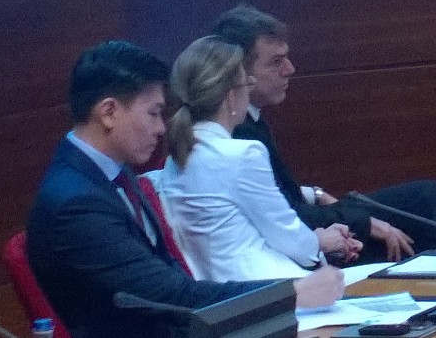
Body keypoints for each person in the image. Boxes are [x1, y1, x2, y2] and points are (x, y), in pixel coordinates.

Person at [26, 41, 344, 338]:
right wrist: (292, 293)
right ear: (109, 112)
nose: (161, 128)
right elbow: (168, 295)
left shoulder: (113, 172)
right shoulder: (75, 203)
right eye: (153, 113)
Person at [209, 5, 436, 262]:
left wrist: (315, 193)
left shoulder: (249, 118)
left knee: (425, 196)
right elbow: (287, 219)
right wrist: (362, 222)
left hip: (308, 219)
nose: (290, 69)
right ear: (239, 71)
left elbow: (275, 192)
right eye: (276, 62)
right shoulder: (237, 132)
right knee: (421, 220)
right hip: (304, 249)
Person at [153, 37, 363, 280]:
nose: (249, 91)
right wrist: (323, 240)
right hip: (270, 289)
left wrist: (316, 238)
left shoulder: (177, 158)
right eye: (247, 84)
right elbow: (287, 237)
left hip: (219, 288)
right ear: (230, 97)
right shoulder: (242, 154)